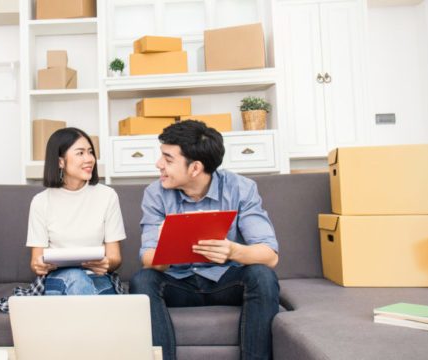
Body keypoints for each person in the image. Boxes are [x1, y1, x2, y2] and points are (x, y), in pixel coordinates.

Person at [130, 120, 280, 360]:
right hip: (178, 283)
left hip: (225, 282)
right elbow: (147, 257)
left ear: (195, 168)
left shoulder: (241, 188)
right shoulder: (155, 193)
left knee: (262, 275)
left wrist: (232, 251)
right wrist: (169, 249)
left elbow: (269, 255)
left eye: (168, 160)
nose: (159, 165)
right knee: (142, 280)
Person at [26, 127, 126, 295]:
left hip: (97, 277)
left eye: (90, 152)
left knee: (85, 284)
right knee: (75, 277)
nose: (89, 159)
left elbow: (115, 257)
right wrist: (39, 265)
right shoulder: (41, 202)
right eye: (80, 153)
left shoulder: (107, 196)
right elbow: (36, 260)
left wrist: (107, 263)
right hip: (59, 279)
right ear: (60, 162)